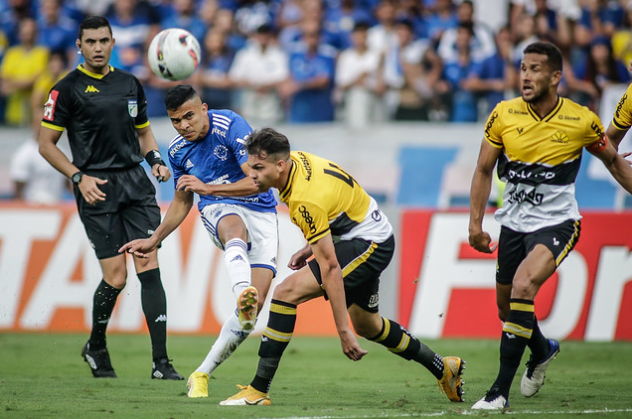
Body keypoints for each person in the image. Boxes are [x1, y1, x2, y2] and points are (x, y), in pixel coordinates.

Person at [219, 127, 466, 406]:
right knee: (368, 325)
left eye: (258, 168)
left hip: (368, 243)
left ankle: (258, 389)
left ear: (280, 165)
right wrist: (310, 246)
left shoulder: (303, 199)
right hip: (367, 230)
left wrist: (341, 330)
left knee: (285, 294)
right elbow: (335, 202)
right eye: (251, 166)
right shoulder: (297, 162)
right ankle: (444, 367)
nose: (251, 174)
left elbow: (332, 268)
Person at [468, 41, 632, 411]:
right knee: (506, 309)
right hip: (512, 224)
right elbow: (482, 169)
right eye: (523, 67)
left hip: (558, 223)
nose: (526, 75)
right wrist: (475, 224)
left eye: (536, 69)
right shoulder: (503, 114)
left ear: (556, 76)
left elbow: (614, 161)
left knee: (524, 286)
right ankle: (542, 349)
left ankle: (498, 393)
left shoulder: (581, 120)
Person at [38, 15, 182, 380]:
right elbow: (46, 145)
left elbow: (145, 134)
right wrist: (77, 176)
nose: (98, 47)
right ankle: (96, 345)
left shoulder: (129, 83)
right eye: (91, 42)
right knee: (116, 277)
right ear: (79, 47)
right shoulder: (65, 90)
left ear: (113, 42)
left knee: (148, 264)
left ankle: (161, 364)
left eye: (104, 40)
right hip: (95, 187)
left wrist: (156, 162)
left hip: (135, 184)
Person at [119, 84, 279, 398]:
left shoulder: (231, 125)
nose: (184, 125)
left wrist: (205, 188)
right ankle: (240, 289)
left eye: (189, 116)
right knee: (235, 230)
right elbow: (181, 202)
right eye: (176, 120)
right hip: (221, 210)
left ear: (204, 109)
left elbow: (257, 181)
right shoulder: (178, 151)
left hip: (262, 213)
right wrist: (154, 239)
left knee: (250, 317)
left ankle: (201, 373)